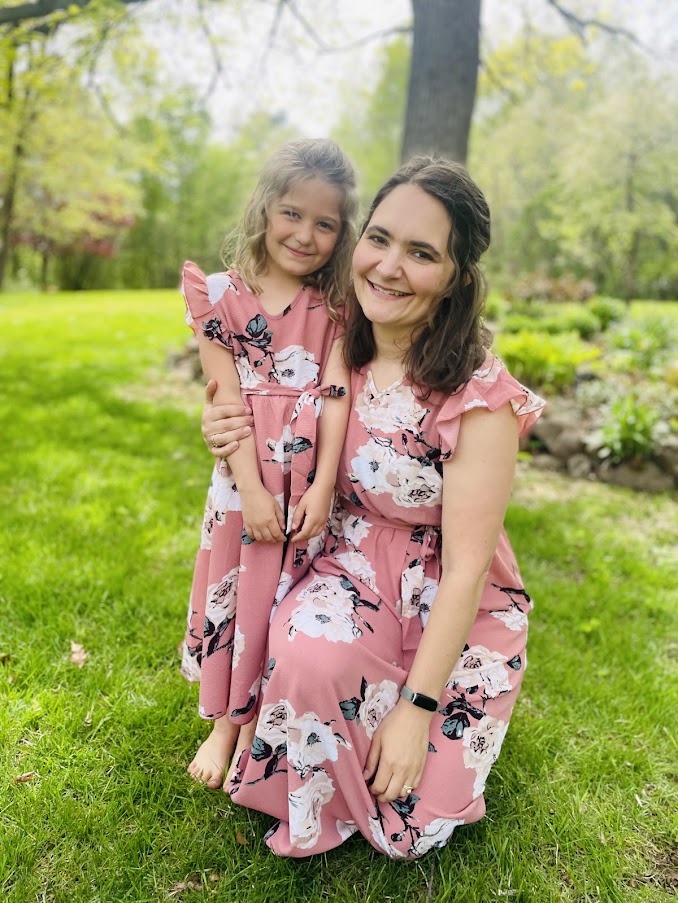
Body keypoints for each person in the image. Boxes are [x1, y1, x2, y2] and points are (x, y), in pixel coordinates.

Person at [200, 156, 545, 858]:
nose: (389, 266)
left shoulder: (479, 398)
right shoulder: (335, 337)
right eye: (381, 238)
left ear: (456, 278)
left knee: (414, 812)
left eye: (421, 253)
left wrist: (417, 711)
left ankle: (397, 716)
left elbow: (469, 569)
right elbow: (251, 399)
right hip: (348, 565)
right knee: (306, 664)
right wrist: (220, 428)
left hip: (448, 601)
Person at [181, 139, 357, 790]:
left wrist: (321, 487)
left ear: (342, 233)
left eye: (325, 223)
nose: (305, 234)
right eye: (292, 213)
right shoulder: (219, 295)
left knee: (283, 593)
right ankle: (225, 722)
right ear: (264, 208)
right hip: (243, 477)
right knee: (240, 587)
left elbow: (336, 394)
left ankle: (258, 720)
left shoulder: (339, 304)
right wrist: (252, 490)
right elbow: (225, 398)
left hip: (308, 478)